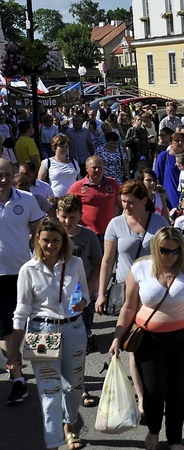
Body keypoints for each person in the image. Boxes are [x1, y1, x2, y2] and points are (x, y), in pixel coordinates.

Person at [108, 227, 184, 450]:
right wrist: (117, 337)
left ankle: (175, 440)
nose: (171, 256)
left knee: (177, 389)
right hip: (149, 340)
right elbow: (128, 307)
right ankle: (153, 431)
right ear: (155, 249)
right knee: (154, 391)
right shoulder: (140, 269)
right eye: (165, 251)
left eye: (175, 251)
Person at [8, 218, 89, 449]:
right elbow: (21, 311)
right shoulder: (28, 269)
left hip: (73, 328)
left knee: (74, 386)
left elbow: (84, 293)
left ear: (63, 240)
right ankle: (52, 442)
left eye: (56, 240)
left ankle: (69, 424)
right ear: (37, 240)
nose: (51, 245)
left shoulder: (75, 263)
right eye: (46, 240)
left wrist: (83, 301)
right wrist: (15, 352)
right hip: (41, 333)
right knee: (49, 392)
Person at [96, 180, 170, 411]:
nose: (125, 206)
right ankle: (142, 397)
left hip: (155, 292)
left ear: (144, 202)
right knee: (134, 343)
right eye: (123, 201)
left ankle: (160, 386)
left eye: (130, 202)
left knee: (159, 341)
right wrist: (101, 293)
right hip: (127, 293)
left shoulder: (158, 221)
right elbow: (107, 261)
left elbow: (170, 254)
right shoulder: (115, 224)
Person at [0, 158, 45, 406]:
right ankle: (17, 377)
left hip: (24, 273)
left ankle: (44, 371)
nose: (4, 180)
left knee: (32, 323)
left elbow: (39, 228)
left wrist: (41, 256)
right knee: (4, 328)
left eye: (8, 174)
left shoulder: (26, 200)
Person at [56, 194, 102, 371]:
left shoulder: (88, 236)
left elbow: (98, 263)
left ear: (80, 215)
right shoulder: (52, 237)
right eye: (63, 217)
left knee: (79, 342)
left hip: (81, 296)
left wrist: (89, 289)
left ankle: (79, 381)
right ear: (57, 214)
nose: (67, 221)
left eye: (72, 217)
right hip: (58, 298)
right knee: (59, 341)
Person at [68, 155, 121, 244]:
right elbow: (68, 208)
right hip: (86, 233)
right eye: (94, 168)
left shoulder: (113, 184)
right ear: (87, 169)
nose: (97, 170)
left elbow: (121, 205)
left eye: (100, 167)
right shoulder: (77, 186)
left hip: (110, 233)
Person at [154, 132, 184, 209]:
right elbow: (157, 177)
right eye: (176, 141)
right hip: (169, 198)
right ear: (170, 143)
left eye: (181, 141)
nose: (180, 143)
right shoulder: (163, 156)